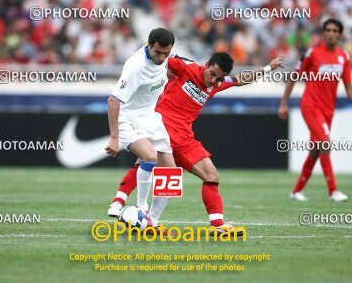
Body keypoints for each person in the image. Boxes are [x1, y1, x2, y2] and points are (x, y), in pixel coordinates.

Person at [108, 51, 285, 235]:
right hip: (161, 128)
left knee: (211, 175)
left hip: (185, 139)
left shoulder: (217, 84)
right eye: (212, 74)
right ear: (207, 64)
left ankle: (216, 225)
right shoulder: (186, 68)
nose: (213, 80)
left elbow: (241, 79)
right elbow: (160, 58)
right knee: (147, 163)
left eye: (219, 78)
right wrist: (162, 70)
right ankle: (119, 201)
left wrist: (268, 68)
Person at [277, 18, 352, 202]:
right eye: (328, 30)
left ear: (339, 35)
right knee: (325, 144)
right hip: (310, 105)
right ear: (324, 33)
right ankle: (333, 191)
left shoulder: (344, 57)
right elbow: (294, 77)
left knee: (316, 150)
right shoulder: (313, 53)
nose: (331, 33)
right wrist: (284, 103)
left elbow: (348, 85)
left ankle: (296, 191)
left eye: (335, 31)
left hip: (328, 110)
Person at [106, 27, 177, 230]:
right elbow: (113, 100)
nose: (162, 57)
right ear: (148, 46)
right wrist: (114, 138)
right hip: (128, 118)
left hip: (151, 118)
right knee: (149, 156)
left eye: (167, 53)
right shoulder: (136, 67)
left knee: (171, 175)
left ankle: (152, 221)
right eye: (158, 53)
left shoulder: (165, 61)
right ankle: (140, 207)